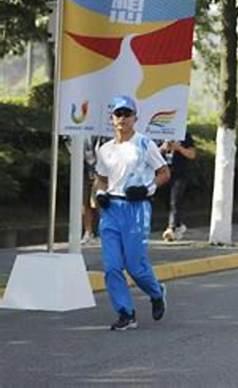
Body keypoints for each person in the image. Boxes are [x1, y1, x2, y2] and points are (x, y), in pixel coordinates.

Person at [94, 95, 170, 331]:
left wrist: (148, 189)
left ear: (135, 118)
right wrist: (99, 195)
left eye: (127, 114)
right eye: (118, 114)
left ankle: (156, 292)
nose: (123, 118)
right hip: (112, 211)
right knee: (112, 266)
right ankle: (126, 312)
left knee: (135, 266)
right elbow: (100, 180)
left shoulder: (144, 144)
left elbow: (164, 172)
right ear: (112, 118)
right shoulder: (104, 149)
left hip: (136, 208)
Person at [161, 132, 197, 242]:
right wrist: (162, 148)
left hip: (180, 173)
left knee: (175, 200)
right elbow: (149, 153)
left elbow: (192, 154)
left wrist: (179, 148)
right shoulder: (158, 132)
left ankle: (171, 228)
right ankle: (178, 224)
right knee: (167, 201)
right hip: (163, 173)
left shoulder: (184, 134)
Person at [81, 135, 104, 244]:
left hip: (102, 172)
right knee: (85, 203)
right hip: (84, 170)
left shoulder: (104, 134)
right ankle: (88, 232)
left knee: (100, 202)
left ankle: (102, 232)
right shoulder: (80, 134)